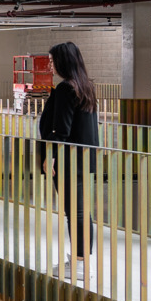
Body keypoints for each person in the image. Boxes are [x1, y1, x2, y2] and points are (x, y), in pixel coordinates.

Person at [38, 41, 99, 281]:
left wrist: (50, 156)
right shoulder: (85, 86)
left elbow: (60, 129)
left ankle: (80, 264)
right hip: (82, 158)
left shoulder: (66, 88)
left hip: (67, 158)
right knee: (80, 210)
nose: (50, 65)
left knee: (75, 211)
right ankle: (81, 260)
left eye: (52, 61)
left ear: (63, 62)